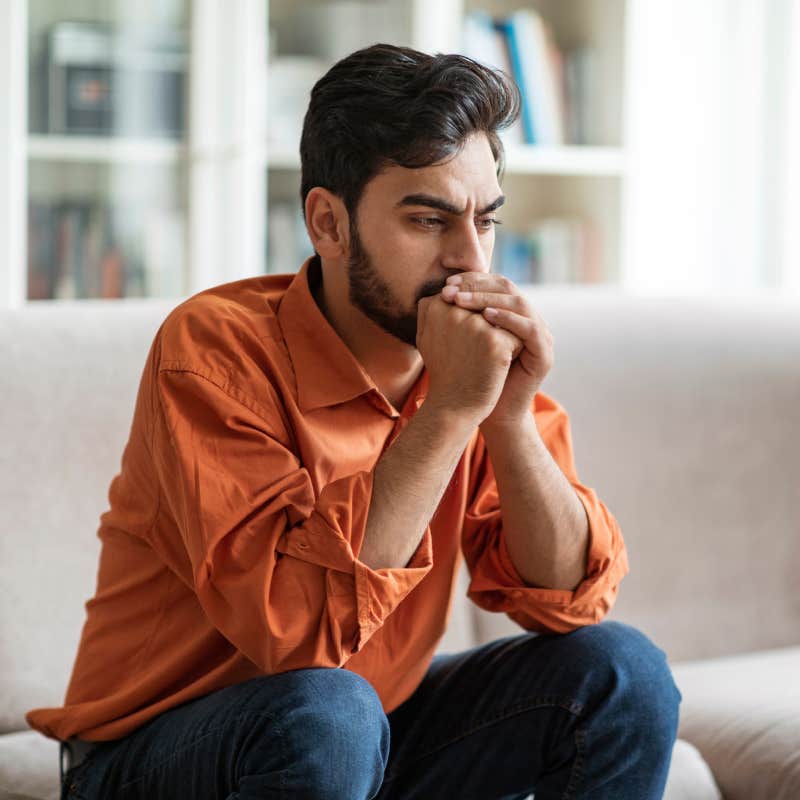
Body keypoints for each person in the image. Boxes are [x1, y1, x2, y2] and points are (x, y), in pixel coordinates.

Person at [27, 43, 681, 799]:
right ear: (328, 224)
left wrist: (506, 417)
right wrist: (450, 412)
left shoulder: (463, 364)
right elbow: (294, 634)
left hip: (365, 731)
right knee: (328, 711)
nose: (469, 259)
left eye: (485, 220)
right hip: (156, 751)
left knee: (620, 674)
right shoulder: (213, 352)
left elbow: (568, 597)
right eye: (429, 219)